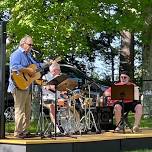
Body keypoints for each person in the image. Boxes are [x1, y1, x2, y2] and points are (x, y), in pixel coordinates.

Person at [7, 35, 43, 138]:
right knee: (20, 109)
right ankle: (18, 132)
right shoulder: (16, 54)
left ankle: (25, 131)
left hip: (27, 85)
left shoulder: (28, 55)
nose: (31, 47)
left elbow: (36, 65)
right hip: (18, 85)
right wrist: (28, 70)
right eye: (30, 44)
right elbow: (14, 67)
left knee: (27, 110)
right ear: (23, 44)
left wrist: (48, 63)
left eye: (32, 45)